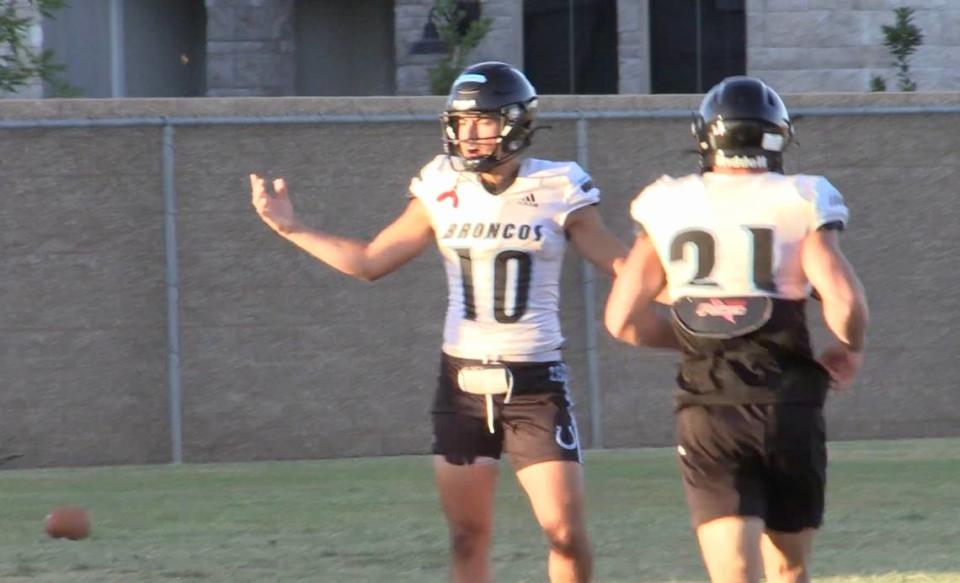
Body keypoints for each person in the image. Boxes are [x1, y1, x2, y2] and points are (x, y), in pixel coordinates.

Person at [251, 61, 627, 583]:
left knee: (564, 531)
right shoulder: (439, 184)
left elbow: (621, 265)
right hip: (462, 386)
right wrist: (292, 229)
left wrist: (678, 281)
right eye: (461, 122)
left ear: (516, 122)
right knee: (466, 536)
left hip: (535, 384)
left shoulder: (559, 184)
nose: (469, 135)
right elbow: (370, 261)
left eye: (483, 122)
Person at [604, 76, 869, 583]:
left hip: (710, 408)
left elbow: (622, 319)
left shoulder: (667, 201)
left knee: (734, 575)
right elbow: (845, 298)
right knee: (789, 570)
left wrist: (692, 336)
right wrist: (848, 347)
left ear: (707, 136)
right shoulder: (800, 197)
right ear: (776, 137)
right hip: (788, 403)